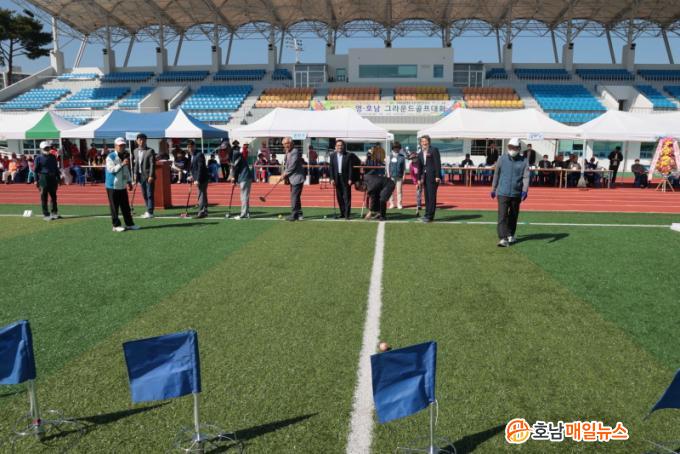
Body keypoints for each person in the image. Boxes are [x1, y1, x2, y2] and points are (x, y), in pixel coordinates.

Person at [491, 137, 529, 247]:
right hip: (502, 192)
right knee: (502, 215)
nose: (512, 149)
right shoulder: (502, 159)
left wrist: (524, 190)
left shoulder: (524, 161)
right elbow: (496, 174)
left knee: (513, 215)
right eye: (510, 147)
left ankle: (510, 234)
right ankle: (503, 238)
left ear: (519, 148)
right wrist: (493, 188)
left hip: (516, 193)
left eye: (514, 147)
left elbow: (526, 176)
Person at [106, 138, 139, 232]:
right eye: (120, 145)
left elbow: (126, 170)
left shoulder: (125, 155)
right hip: (112, 186)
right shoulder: (110, 157)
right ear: (115, 146)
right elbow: (111, 170)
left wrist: (129, 181)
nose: (122, 147)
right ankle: (115, 225)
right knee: (114, 207)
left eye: (123, 145)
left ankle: (129, 224)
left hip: (122, 185)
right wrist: (122, 164)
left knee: (125, 206)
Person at [329, 139, 358, 219]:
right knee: (339, 197)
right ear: (335, 147)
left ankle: (347, 215)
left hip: (346, 178)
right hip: (336, 178)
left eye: (341, 145)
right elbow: (331, 168)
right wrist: (331, 179)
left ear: (344, 146)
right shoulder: (332, 155)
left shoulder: (348, 155)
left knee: (347, 197)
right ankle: (342, 213)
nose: (340, 147)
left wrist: (350, 178)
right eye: (338, 145)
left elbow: (350, 168)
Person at [34, 141, 61, 221]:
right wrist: (36, 180)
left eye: (48, 148)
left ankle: (54, 213)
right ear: (41, 149)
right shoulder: (38, 158)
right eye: (45, 148)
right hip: (43, 178)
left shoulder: (53, 157)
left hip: (52, 178)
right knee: (44, 196)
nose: (47, 149)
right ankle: (46, 214)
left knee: (54, 196)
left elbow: (56, 168)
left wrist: (58, 178)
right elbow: (35, 170)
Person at [417, 135, 441, 223]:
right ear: (420, 143)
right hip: (425, 177)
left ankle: (430, 216)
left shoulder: (433, 150)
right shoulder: (420, 153)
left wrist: (437, 176)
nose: (424, 143)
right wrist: (418, 178)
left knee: (432, 197)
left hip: (433, 177)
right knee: (426, 197)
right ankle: (426, 214)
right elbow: (419, 167)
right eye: (422, 141)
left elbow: (437, 163)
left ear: (429, 142)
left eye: (425, 141)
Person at [132, 133, 156, 218]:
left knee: (150, 194)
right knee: (144, 194)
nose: (141, 141)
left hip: (148, 175)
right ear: (137, 141)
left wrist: (151, 175)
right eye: (139, 140)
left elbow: (152, 164)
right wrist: (135, 174)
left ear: (146, 140)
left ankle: (150, 212)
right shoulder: (135, 151)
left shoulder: (150, 151)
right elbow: (136, 164)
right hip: (140, 175)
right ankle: (148, 209)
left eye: (143, 140)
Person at [281, 136, 305, 221]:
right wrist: (284, 174)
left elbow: (292, 166)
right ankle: (299, 214)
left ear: (291, 143)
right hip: (292, 178)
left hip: (297, 178)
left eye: (287, 143)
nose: (285, 145)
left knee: (294, 197)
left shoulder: (295, 151)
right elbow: (287, 164)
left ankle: (294, 215)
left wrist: (284, 174)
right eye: (284, 144)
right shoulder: (288, 152)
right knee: (296, 197)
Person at [229, 142, 253, 220]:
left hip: (244, 177)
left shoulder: (235, 154)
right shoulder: (235, 154)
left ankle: (243, 214)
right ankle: (247, 213)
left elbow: (235, 168)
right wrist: (234, 179)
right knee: (245, 196)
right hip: (246, 176)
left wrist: (233, 179)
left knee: (244, 196)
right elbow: (235, 168)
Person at [188, 140, 209, 218]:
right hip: (198, 177)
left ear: (194, 146)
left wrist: (197, 179)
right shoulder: (192, 155)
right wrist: (192, 176)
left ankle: (202, 211)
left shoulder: (199, 154)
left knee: (201, 195)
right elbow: (194, 168)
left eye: (191, 147)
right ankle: (204, 210)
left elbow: (200, 168)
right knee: (203, 195)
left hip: (202, 178)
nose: (190, 148)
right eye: (188, 147)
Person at [386, 142, 405, 209]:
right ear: (393, 148)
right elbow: (387, 166)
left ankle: (399, 204)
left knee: (399, 191)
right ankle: (391, 204)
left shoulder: (402, 157)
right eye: (395, 148)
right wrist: (388, 174)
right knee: (390, 190)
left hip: (399, 176)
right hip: (391, 176)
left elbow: (404, 167)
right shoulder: (389, 156)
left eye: (398, 148)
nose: (396, 149)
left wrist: (404, 175)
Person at [408, 151, 423, 216]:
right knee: (418, 192)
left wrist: (422, 179)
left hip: (424, 178)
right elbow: (412, 175)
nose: (413, 159)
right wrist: (416, 183)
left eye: (414, 158)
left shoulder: (421, 162)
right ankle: (419, 205)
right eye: (411, 158)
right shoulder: (411, 165)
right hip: (417, 180)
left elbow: (423, 171)